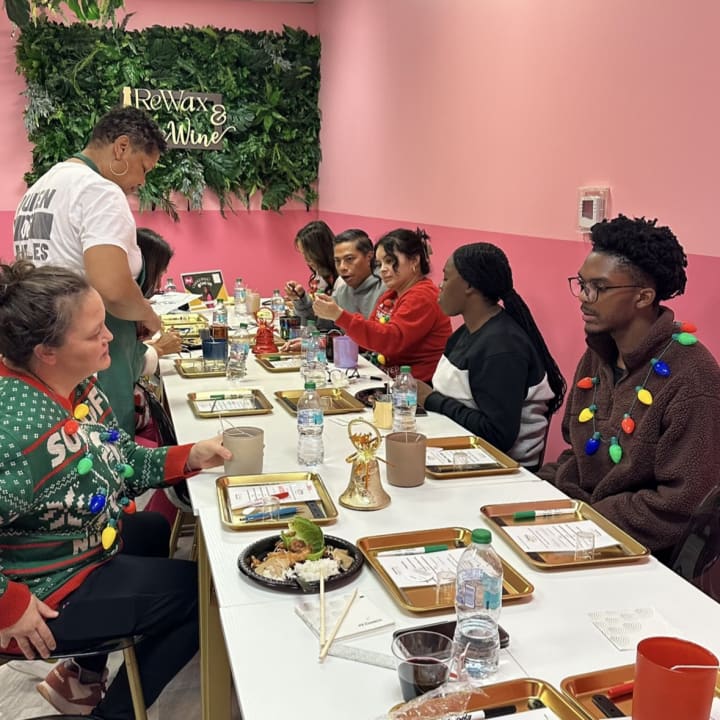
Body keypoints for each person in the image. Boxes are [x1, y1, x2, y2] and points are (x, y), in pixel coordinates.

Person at [0, 260, 232, 719]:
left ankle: (81, 679)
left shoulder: (78, 385)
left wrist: (188, 457)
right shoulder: (15, 432)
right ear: (47, 351)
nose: (110, 336)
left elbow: (118, 456)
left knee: (149, 530)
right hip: (40, 592)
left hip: (73, 550)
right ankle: (115, 713)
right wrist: (10, 605)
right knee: (200, 596)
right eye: (94, 333)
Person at [537, 215, 720, 561]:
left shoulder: (693, 376)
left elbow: (683, 504)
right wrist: (532, 490)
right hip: (581, 526)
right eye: (582, 284)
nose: (584, 298)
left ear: (643, 297)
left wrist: (586, 520)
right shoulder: (597, 356)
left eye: (599, 287)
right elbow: (576, 455)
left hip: (643, 554)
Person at [12, 105, 168, 437]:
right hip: (89, 361)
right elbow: (112, 287)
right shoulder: (99, 191)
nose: (141, 182)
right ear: (121, 147)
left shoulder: (39, 189)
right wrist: (149, 316)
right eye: (144, 168)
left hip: (43, 356)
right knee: (104, 450)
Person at [416, 243, 566, 469]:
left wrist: (431, 400)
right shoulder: (467, 332)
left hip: (500, 468)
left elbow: (497, 435)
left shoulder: (502, 348)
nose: (440, 286)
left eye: (446, 278)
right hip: (460, 452)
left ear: (469, 284)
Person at [313, 228, 452, 382]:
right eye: (379, 264)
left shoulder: (422, 296)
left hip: (416, 387)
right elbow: (371, 336)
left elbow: (389, 340)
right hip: (390, 378)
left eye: (390, 261)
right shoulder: (391, 294)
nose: (383, 269)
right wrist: (322, 343)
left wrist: (339, 316)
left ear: (414, 260)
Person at [284, 220, 341, 331]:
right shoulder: (320, 277)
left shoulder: (342, 282)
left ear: (321, 251)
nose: (306, 260)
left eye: (308, 254)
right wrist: (300, 298)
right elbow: (310, 321)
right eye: (303, 254)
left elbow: (326, 326)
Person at [332, 229, 384, 318]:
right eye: (337, 261)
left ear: (369, 257)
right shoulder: (340, 294)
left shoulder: (388, 288)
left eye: (349, 259)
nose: (342, 267)